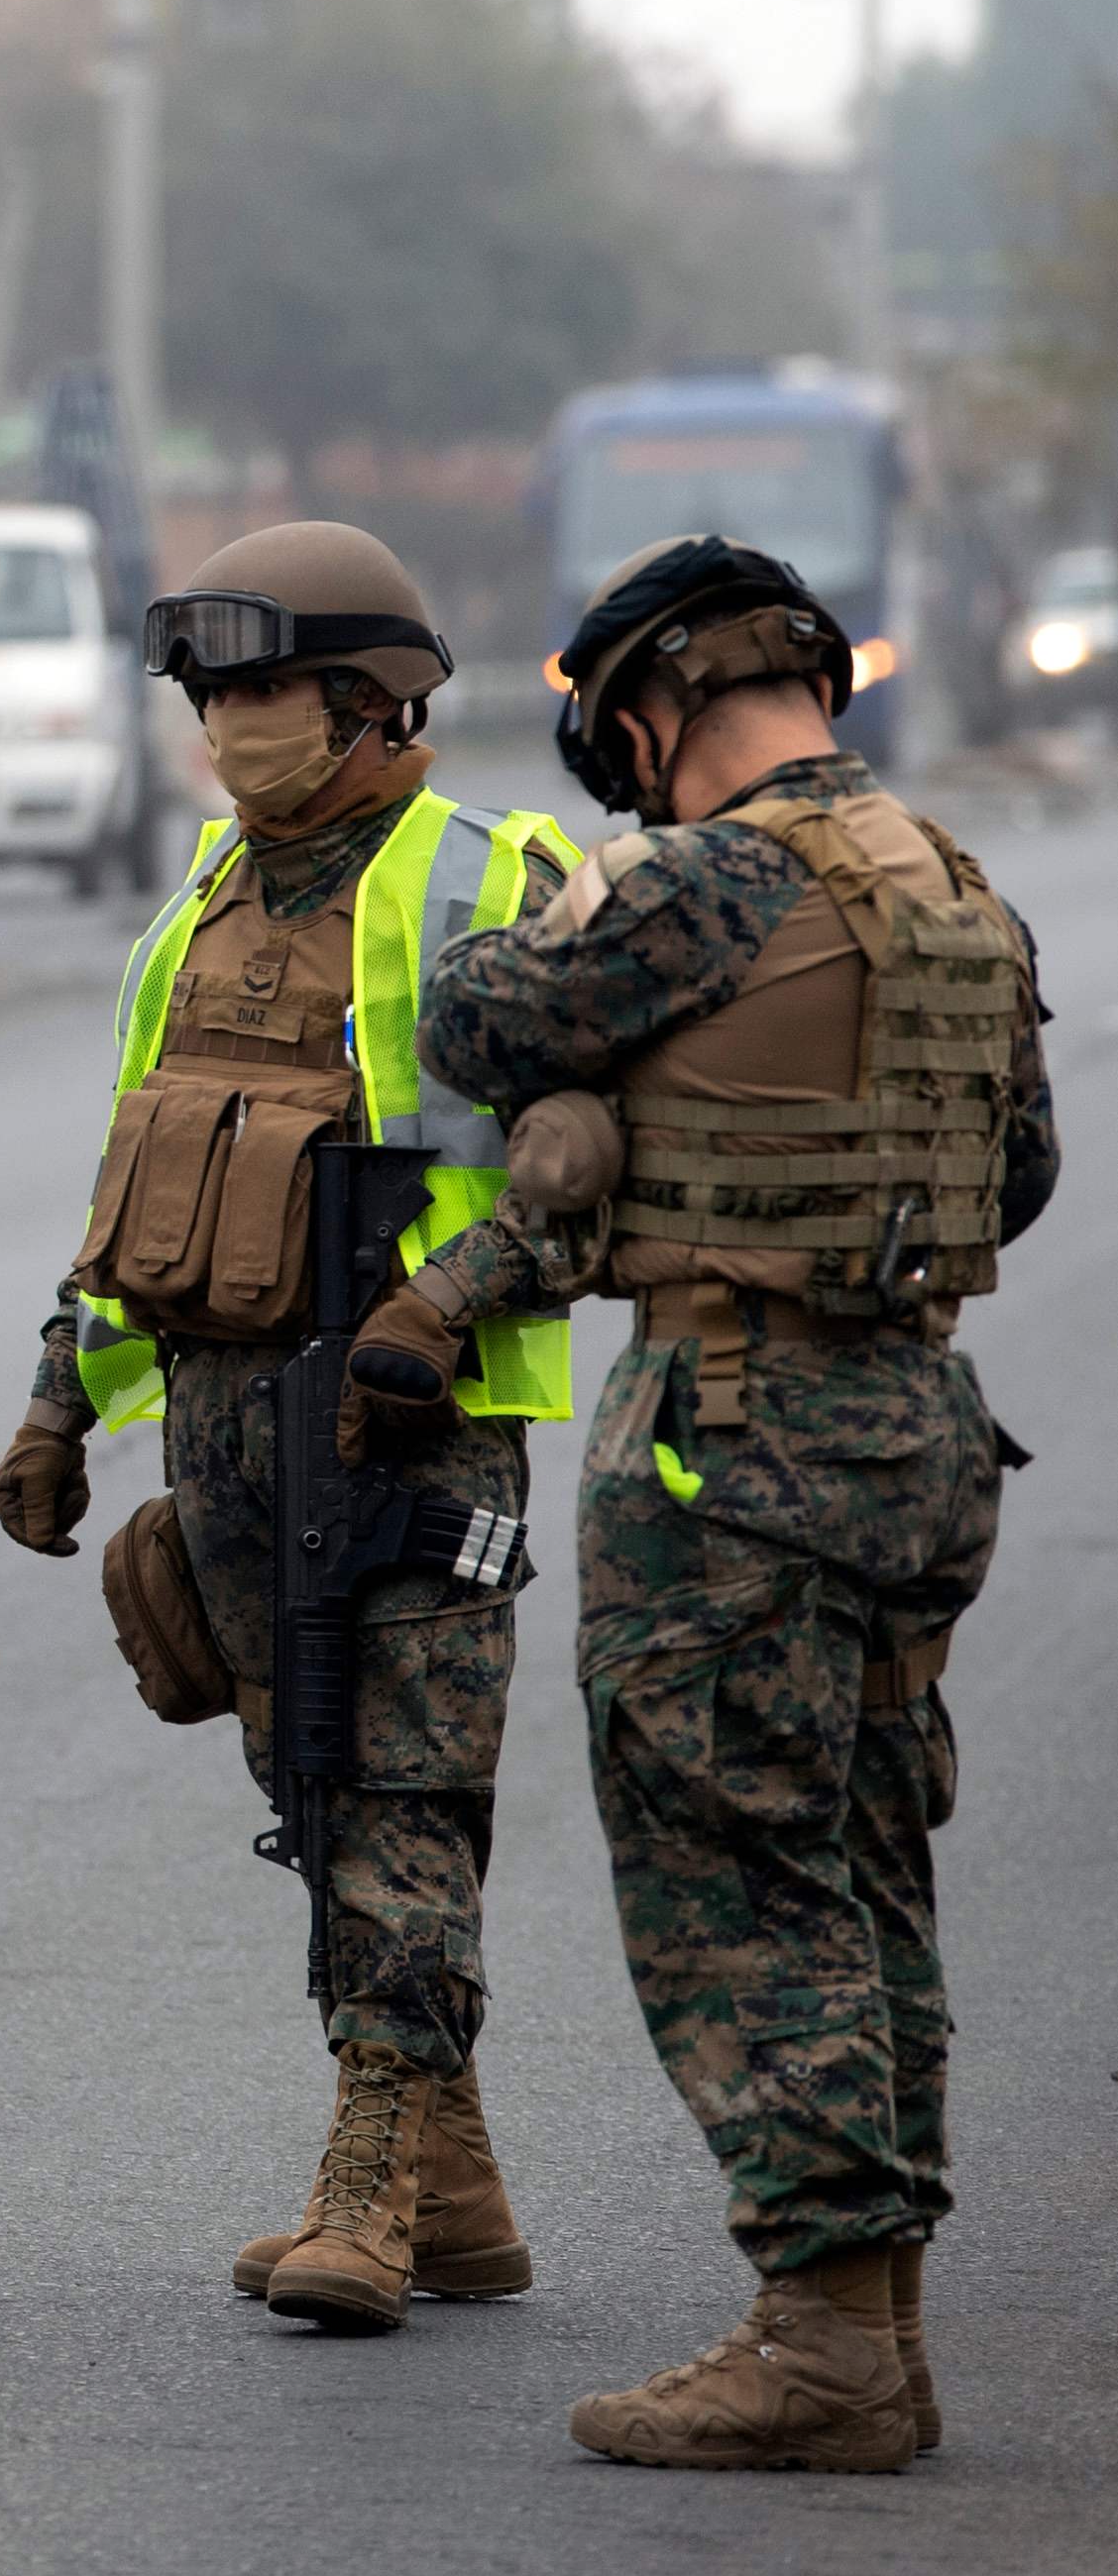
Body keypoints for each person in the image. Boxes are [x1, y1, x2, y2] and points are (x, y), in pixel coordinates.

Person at [419, 535, 1058, 2472]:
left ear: (646, 710)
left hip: (729, 1432)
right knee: (862, 1867)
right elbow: (1017, 1173)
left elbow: (470, 1024)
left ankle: (816, 2336)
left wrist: (592, 934)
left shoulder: (693, 882)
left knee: (734, 1882)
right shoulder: (947, 880)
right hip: (912, 1424)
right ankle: (881, 2323)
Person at [0, 522, 581, 2333]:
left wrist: (437, 1307)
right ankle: (451, 2192)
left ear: (372, 697)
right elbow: (137, 1175)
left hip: (406, 1428)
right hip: (225, 1426)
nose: (227, 723)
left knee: (401, 1798)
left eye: (260, 688)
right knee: (312, 1793)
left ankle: (368, 2186)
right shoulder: (201, 903)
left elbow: (587, 1160)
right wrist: (56, 1397)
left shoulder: (496, 878)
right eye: (209, 692)